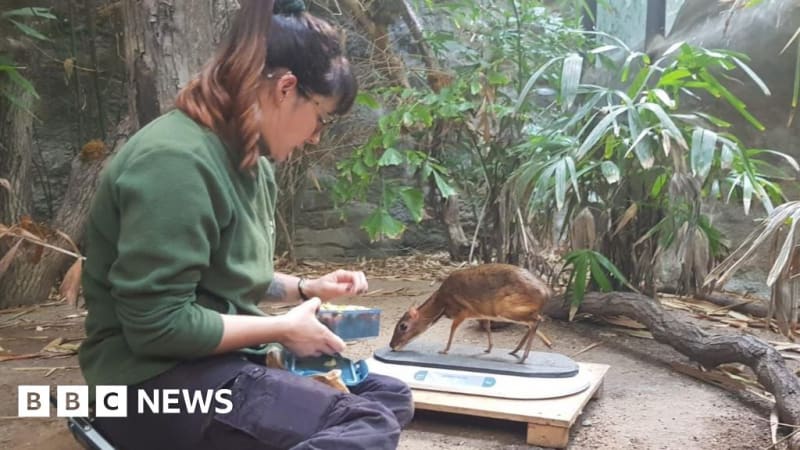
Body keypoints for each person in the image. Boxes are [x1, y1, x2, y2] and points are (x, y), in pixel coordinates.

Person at [77, 0, 414, 448]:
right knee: (366, 426)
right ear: (286, 88)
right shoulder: (174, 163)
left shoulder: (249, 160)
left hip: (216, 365)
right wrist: (280, 329)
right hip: (148, 388)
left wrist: (304, 289)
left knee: (388, 396)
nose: (316, 136)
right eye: (321, 118)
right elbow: (159, 325)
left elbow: (224, 273)